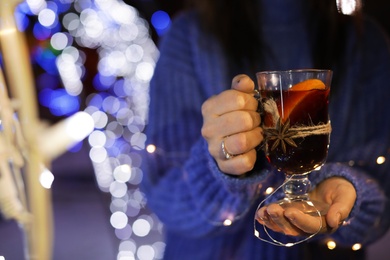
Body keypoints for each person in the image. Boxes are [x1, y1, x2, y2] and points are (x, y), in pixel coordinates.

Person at [141, 0, 390, 259]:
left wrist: (347, 192)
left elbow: (381, 198)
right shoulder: (189, 36)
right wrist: (223, 168)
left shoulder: (365, 43)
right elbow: (164, 192)